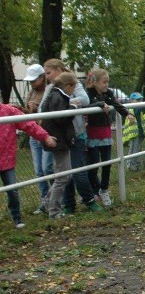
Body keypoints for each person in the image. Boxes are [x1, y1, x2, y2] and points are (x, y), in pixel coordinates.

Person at [39, 59, 104, 214]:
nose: (47, 77)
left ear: (59, 70)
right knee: (64, 173)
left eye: (49, 73)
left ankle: (88, 199)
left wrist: (68, 103)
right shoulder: (51, 90)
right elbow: (44, 108)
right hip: (61, 136)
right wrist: (68, 105)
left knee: (76, 170)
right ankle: (66, 204)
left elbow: (84, 99)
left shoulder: (74, 84)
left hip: (76, 133)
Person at [0, 103, 56, 228]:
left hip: (6, 159)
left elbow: (29, 124)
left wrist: (45, 137)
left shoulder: (9, 111)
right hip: (6, 158)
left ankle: (17, 217)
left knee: (12, 191)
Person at [85, 69, 130, 207]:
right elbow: (86, 106)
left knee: (107, 162)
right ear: (95, 83)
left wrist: (127, 114)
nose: (107, 85)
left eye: (107, 82)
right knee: (93, 164)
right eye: (104, 82)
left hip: (105, 133)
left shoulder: (108, 94)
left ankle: (104, 189)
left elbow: (116, 104)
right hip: (92, 133)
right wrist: (99, 104)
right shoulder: (89, 94)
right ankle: (94, 190)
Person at [41, 71, 79, 219]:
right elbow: (61, 119)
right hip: (59, 140)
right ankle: (54, 211)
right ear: (68, 85)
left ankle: (48, 203)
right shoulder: (58, 97)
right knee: (63, 176)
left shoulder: (55, 95)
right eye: (74, 87)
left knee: (64, 175)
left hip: (59, 139)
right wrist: (73, 108)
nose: (74, 91)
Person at [19, 64, 51, 213]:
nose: (31, 83)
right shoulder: (31, 92)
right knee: (39, 170)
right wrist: (23, 110)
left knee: (47, 168)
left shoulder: (49, 90)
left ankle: (56, 196)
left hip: (46, 133)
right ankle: (44, 199)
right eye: (30, 81)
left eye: (34, 80)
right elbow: (30, 113)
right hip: (34, 135)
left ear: (43, 77)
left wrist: (37, 108)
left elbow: (48, 111)